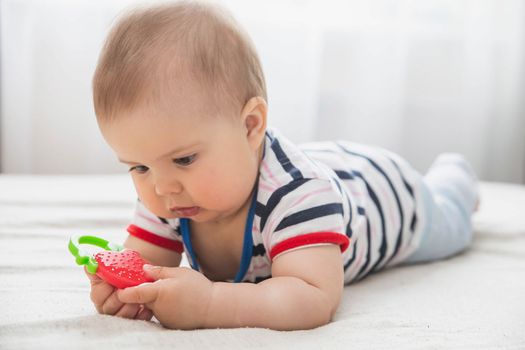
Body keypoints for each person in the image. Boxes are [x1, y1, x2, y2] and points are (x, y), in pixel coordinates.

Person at [87, 1, 479, 331]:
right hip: (327, 164)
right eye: (138, 167)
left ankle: (455, 177)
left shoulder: (299, 196)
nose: (161, 187)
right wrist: (127, 289)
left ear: (250, 126)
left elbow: (313, 297)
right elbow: (147, 267)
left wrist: (210, 303)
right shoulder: (169, 189)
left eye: (184, 159)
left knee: (452, 221)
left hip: (391, 197)